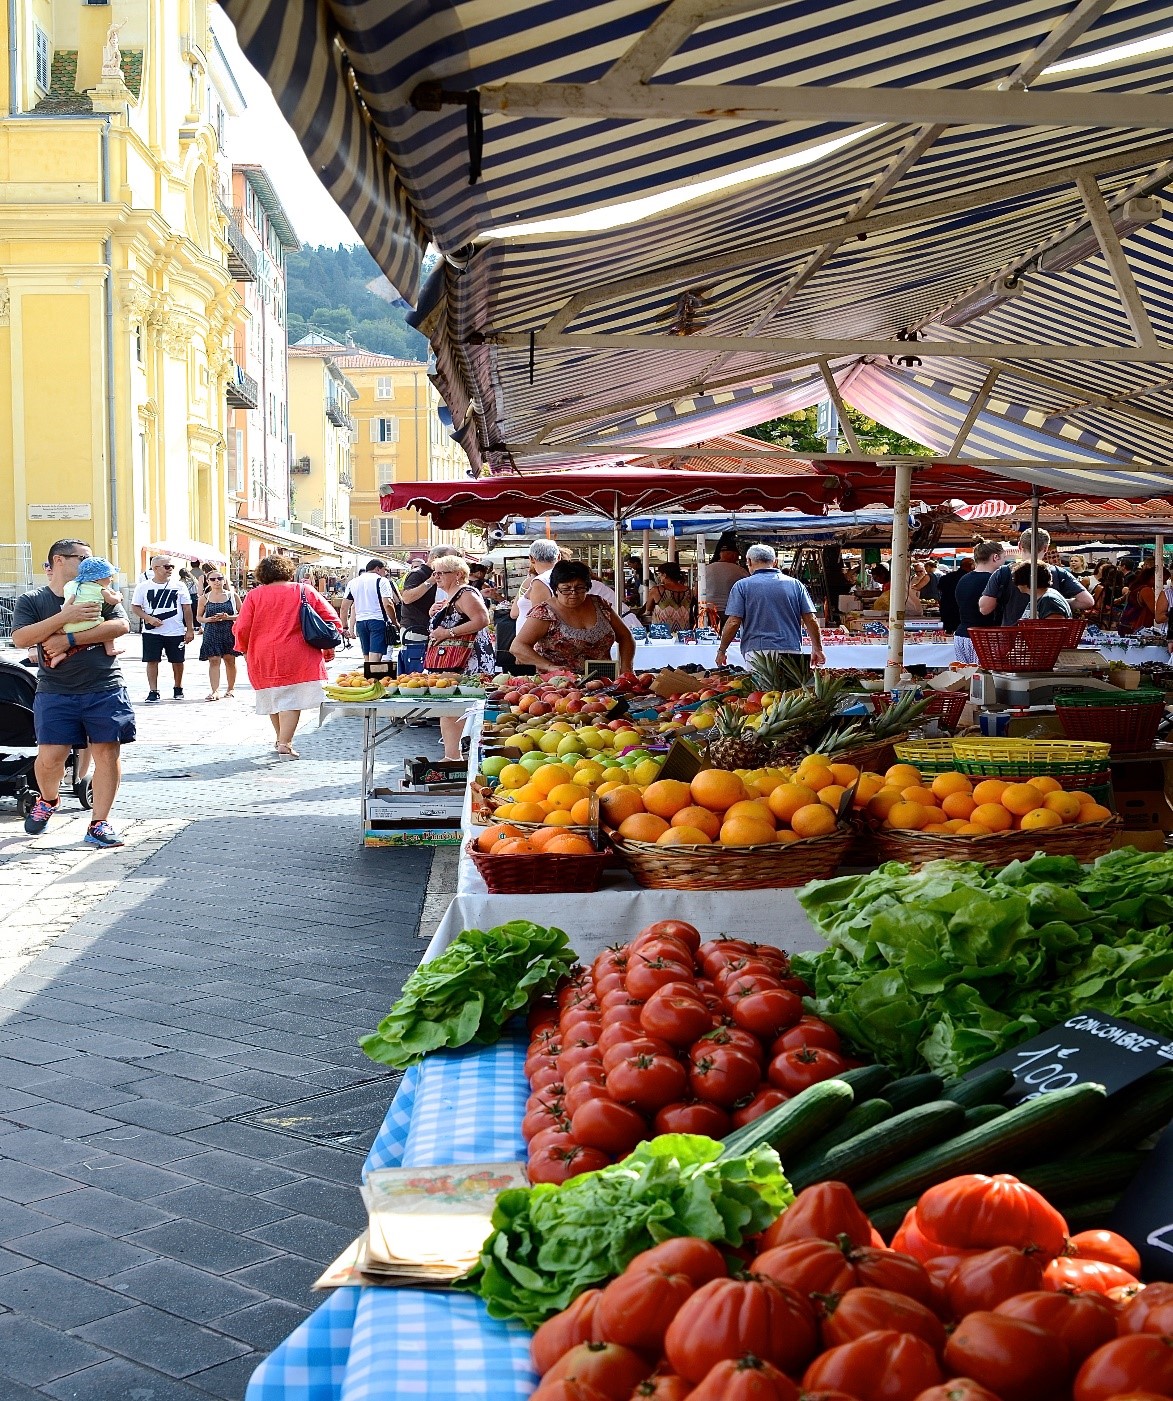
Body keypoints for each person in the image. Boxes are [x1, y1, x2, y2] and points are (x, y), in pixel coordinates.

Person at [10, 538, 134, 848]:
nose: (93, 565)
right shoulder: (33, 599)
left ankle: (99, 823)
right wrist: (65, 616)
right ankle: (49, 800)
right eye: (84, 558)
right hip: (56, 691)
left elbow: (120, 625)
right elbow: (22, 638)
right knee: (51, 757)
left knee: (107, 751)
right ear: (60, 560)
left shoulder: (98, 589)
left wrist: (68, 638)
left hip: (105, 685)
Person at [232, 555, 340, 759]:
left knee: (273, 697)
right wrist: (328, 645)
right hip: (299, 652)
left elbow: (242, 627)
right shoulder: (303, 590)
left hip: (263, 653)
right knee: (292, 699)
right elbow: (330, 618)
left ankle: (280, 738)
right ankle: (285, 743)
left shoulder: (254, 595)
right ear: (289, 571)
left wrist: (244, 650)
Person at [511, 560, 636, 675]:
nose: (573, 593)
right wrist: (549, 666)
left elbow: (625, 637)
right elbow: (518, 646)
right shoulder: (544, 613)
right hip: (560, 685)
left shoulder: (600, 605)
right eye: (566, 589)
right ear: (556, 589)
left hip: (603, 680)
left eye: (580, 588)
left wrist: (626, 668)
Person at [427, 557, 495, 761]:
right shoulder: (453, 595)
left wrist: (449, 632)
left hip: (468, 660)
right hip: (455, 661)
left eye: (441, 573)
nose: (436, 577)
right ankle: (452, 756)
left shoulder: (466, 593)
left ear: (458, 574)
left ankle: (463, 756)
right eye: (435, 573)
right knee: (449, 707)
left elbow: (482, 619)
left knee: (464, 707)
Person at [715, 543, 825, 668]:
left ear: (749, 561)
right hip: (791, 649)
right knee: (791, 688)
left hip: (758, 651)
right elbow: (810, 619)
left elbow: (734, 622)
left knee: (761, 688)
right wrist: (817, 648)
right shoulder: (796, 585)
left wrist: (722, 650)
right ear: (775, 562)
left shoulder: (742, 586)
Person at [979, 529, 1095, 626]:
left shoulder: (1003, 572)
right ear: (1046, 548)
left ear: (1020, 545)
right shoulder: (1059, 572)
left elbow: (985, 609)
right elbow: (1087, 601)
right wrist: (1061, 602)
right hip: (1045, 640)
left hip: (1011, 637)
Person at [131, 555, 194, 701]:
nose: (170, 569)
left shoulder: (179, 585)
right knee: (152, 660)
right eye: (167, 567)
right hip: (152, 631)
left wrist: (189, 629)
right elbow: (135, 606)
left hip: (175, 630)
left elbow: (187, 607)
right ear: (155, 568)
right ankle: (153, 690)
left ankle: (178, 687)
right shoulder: (143, 587)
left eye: (172, 566)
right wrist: (148, 618)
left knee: (178, 660)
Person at [48, 556, 122, 665]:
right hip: (91, 623)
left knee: (56, 632)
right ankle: (110, 649)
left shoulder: (70, 585)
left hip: (69, 625)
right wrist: (118, 596)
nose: (111, 579)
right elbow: (113, 601)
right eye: (109, 576)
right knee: (106, 629)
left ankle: (56, 656)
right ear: (97, 578)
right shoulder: (100, 589)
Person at [398, 545, 461, 671]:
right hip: (416, 629)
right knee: (416, 671)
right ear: (436, 558)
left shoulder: (446, 575)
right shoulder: (417, 574)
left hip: (434, 631)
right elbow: (407, 598)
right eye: (450, 558)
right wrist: (431, 581)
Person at [953, 540, 1007, 662]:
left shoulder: (964, 579)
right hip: (983, 638)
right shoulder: (992, 581)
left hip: (962, 635)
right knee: (985, 678)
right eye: (1004, 557)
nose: (1004, 561)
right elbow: (987, 610)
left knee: (966, 677)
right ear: (995, 557)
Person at [338, 559, 400, 662]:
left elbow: (344, 607)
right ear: (377, 569)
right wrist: (395, 622)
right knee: (375, 655)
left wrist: (345, 626)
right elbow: (388, 604)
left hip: (361, 622)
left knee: (367, 655)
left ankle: (369, 677)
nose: (386, 573)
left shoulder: (353, 582)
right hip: (378, 621)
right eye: (385, 570)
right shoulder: (382, 581)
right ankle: (374, 677)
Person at [197, 569, 240, 700]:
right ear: (208, 582)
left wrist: (228, 617)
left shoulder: (232, 596)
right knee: (213, 660)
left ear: (224, 580)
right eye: (213, 579)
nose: (217, 581)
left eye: (220, 578)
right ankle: (215, 691)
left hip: (228, 631)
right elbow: (198, 617)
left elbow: (243, 615)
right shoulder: (204, 598)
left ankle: (230, 688)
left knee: (229, 660)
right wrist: (208, 620)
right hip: (211, 631)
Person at [510, 539, 563, 623]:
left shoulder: (539, 581)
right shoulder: (566, 578)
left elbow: (540, 620)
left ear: (531, 559)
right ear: (559, 557)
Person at [644, 562, 696, 631]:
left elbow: (648, 608)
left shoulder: (656, 590)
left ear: (665, 575)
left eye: (660, 574)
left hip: (662, 632)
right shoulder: (689, 591)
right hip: (683, 630)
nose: (659, 576)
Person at [706, 540, 749, 624]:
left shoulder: (706, 569)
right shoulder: (740, 571)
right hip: (731, 611)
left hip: (709, 610)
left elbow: (696, 591)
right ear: (733, 555)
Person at [937, 557, 974, 635]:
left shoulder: (946, 577)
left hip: (947, 610)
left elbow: (939, 589)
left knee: (948, 634)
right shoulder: (970, 578)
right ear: (971, 566)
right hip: (962, 612)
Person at [1119, 563, 1157, 633]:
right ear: (1153, 578)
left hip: (1127, 624)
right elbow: (1156, 611)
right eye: (1163, 580)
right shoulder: (1146, 590)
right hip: (1136, 626)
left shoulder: (1136, 587)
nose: (1164, 583)